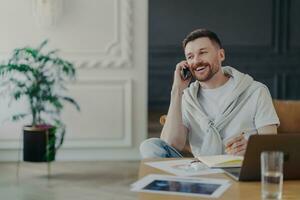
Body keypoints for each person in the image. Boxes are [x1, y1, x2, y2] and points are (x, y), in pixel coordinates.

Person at [140, 29, 279, 158]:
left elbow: (272, 143)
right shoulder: (188, 97)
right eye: (190, 56)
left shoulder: (255, 91)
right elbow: (171, 144)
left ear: (221, 55)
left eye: (203, 52)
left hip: (240, 167)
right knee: (150, 146)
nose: (196, 61)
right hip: (202, 170)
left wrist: (252, 148)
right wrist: (177, 90)